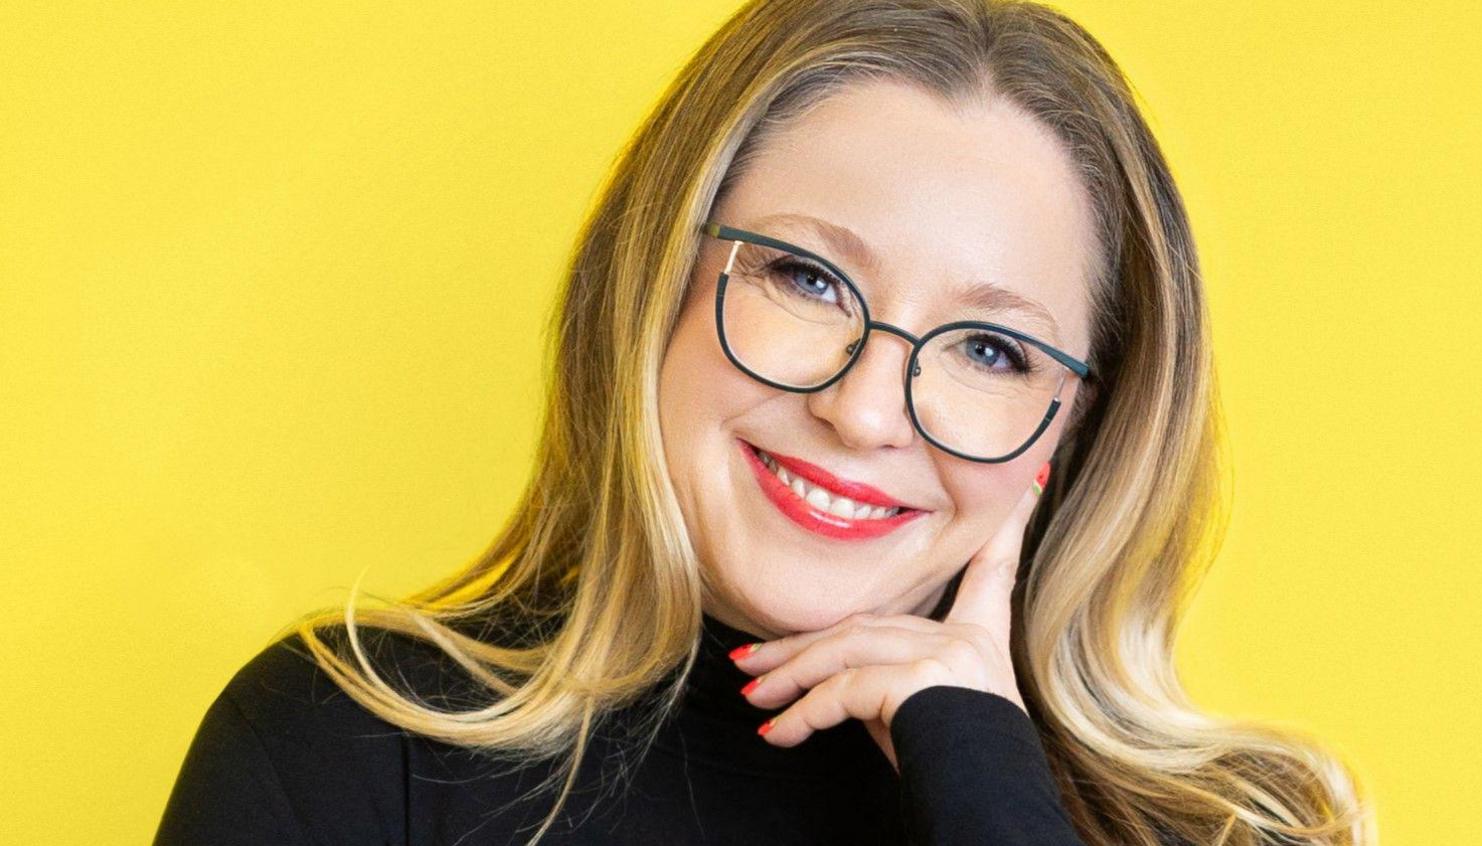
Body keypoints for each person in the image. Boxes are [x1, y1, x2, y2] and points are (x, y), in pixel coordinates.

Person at [154, 1, 1375, 844]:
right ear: (655, 278)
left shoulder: (1232, 828)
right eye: (802, 277)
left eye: (991, 349)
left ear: (1077, 430)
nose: (857, 410)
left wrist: (992, 802)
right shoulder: (344, 750)